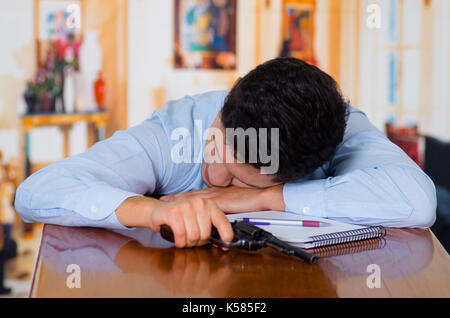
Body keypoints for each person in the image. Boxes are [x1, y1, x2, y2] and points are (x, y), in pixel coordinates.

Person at [15, 58, 436, 248]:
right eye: (217, 143)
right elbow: (36, 192)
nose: (215, 179)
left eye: (239, 179)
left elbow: (417, 199)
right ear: (228, 99)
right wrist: (152, 211)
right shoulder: (176, 129)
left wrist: (263, 199)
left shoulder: (339, 128)